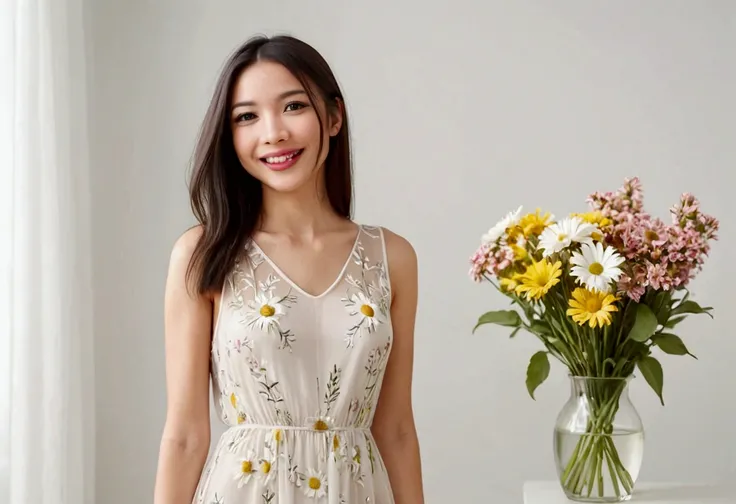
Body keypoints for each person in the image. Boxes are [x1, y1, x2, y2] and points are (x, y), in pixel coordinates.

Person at [153, 34, 425, 504]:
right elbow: (185, 434)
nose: (273, 132)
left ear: (334, 117)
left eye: (293, 106)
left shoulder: (391, 257)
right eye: (247, 116)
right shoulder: (203, 253)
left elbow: (396, 428)